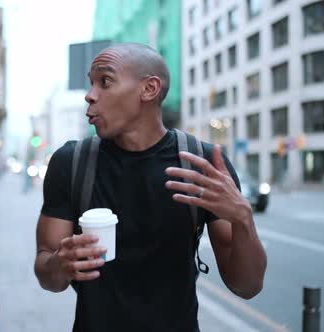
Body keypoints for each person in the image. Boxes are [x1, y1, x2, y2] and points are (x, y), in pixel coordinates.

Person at [34, 43, 267, 331]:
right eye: (91, 83)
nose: (90, 95)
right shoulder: (71, 162)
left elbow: (247, 286)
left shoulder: (202, 164)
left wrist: (243, 218)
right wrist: (60, 264)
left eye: (105, 82)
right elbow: (48, 276)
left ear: (149, 89)